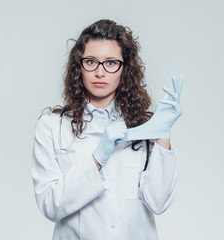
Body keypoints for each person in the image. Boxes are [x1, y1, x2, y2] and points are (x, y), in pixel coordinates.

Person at [31, 19, 184, 240]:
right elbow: (49, 205)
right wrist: (97, 158)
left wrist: (162, 134)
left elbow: (158, 202)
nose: (100, 72)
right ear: (79, 67)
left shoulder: (143, 126)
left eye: (111, 63)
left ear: (125, 69)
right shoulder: (52, 126)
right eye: (91, 62)